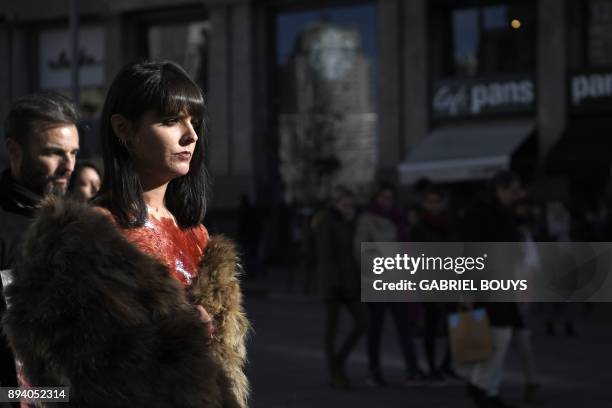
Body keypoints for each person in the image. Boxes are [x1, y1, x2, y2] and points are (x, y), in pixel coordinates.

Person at [3, 61, 250, 407]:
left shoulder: (196, 233)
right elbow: (43, 377)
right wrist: (168, 339)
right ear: (124, 130)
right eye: (169, 121)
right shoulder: (85, 235)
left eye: (194, 121)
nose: (190, 135)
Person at [0, 92, 79, 407]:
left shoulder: (84, 222)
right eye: (54, 153)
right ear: (15, 152)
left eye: (73, 153)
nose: (69, 166)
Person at [462, 171, 526, 408]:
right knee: (499, 334)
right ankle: (481, 386)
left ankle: (487, 389)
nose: (515, 195)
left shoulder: (501, 212)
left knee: (499, 335)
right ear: (500, 189)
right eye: (513, 190)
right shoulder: (480, 212)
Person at [354, 184, 424, 387]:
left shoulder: (400, 218)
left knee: (405, 328)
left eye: (390, 197)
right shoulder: (367, 219)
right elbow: (360, 251)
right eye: (383, 197)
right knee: (376, 329)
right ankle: (374, 371)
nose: (386, 201)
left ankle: (413, 370)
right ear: (375, 198)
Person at [314, 186, 367, 389]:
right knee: (332, 330)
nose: (348, 208)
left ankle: (338, 361)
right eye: (345, 205)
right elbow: (326, 257)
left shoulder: (353, 222)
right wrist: (334, 284)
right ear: (336, 205)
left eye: (351, 205)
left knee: (363, 323)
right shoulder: (327, 222)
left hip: (352, 283)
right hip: (334, 285)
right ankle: (335, 371)